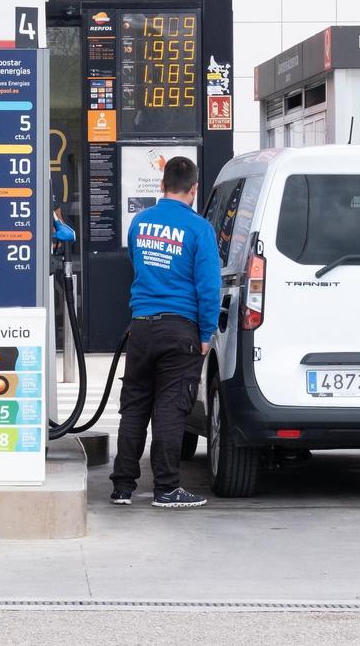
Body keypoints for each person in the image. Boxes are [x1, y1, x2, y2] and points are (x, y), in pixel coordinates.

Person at [110, 156, 218, 508]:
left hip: (141, 327)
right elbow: (208, 287)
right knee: (171, 410)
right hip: (180, 329)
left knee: (134, 407)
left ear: (162, 185)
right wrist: (206, 333)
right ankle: (167, 489)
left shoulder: (140, 222)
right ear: (194, 189)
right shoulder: (199, 229)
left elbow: (136, 265)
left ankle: (122, 487)